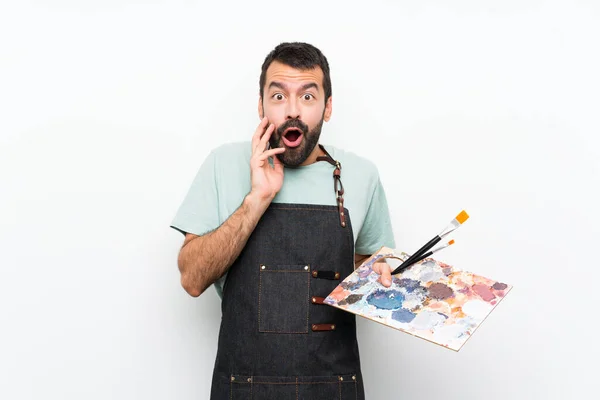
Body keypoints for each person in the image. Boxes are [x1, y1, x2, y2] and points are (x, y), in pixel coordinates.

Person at [170, 41, 396, 399]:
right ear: (261, 105)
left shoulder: (362, 175)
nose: (293, 111)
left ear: (328, 107)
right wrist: (257, 197)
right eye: (278, 97)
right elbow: (192, 279)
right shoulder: (222, 164)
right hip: (243, 387)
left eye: (308, 97)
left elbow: (369, 264)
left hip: (333, 388)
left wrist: (381, 277)